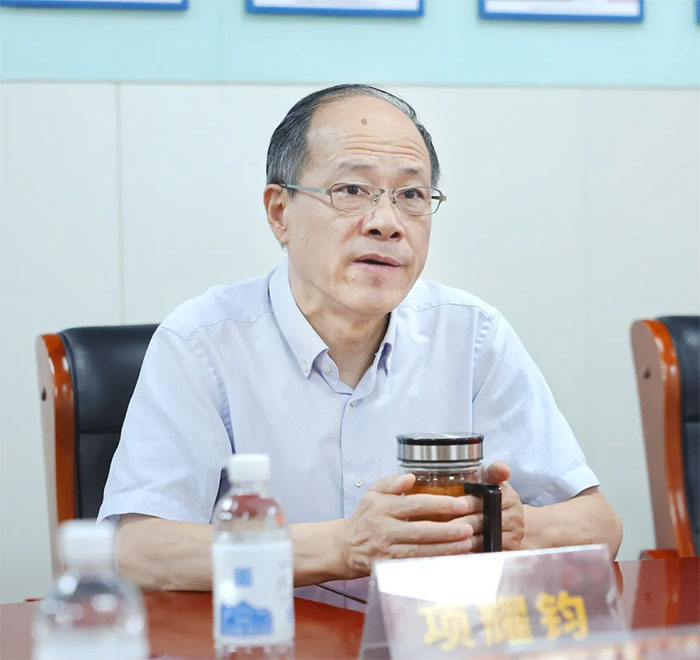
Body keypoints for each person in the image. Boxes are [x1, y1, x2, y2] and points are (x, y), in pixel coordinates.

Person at [99, 84, 622, 606]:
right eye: (351, 190)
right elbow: (137, 551)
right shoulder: (202, 343)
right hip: (276, 638)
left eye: (411, 196)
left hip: (431, 636)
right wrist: (346, 546)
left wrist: (515, 526)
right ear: (280, 212)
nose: (387, 223)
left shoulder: (472, 335)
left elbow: (600, 526)